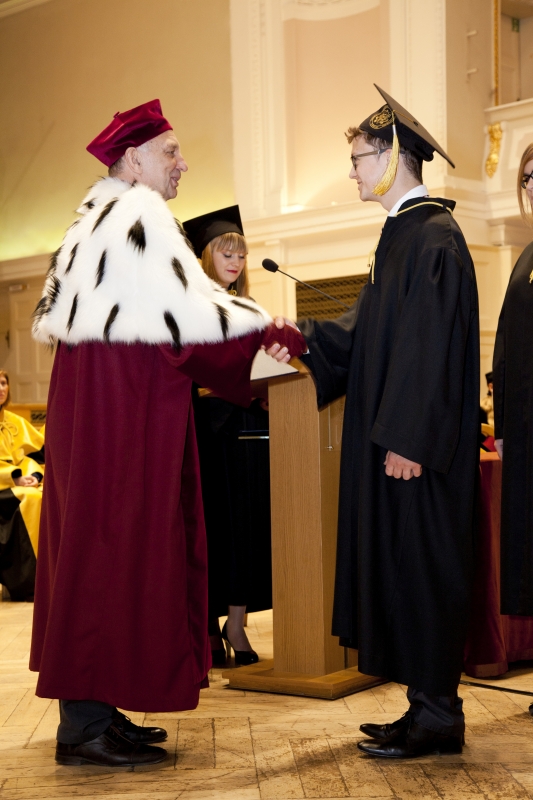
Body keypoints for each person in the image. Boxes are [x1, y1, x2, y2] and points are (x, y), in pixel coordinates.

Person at [29, 99, 305, 768]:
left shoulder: (100, 219)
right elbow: (191, 321)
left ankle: (99, 710)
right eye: (170, 153)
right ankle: (84, 725)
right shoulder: (136, 219)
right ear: (133, 160)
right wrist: (272, 335)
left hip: (104, 416)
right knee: (110, 554)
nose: (182, 164)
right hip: (119, 423)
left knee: (102, 554)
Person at [267, 85, 480, 758]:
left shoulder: (435, 237)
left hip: (417, 452)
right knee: (402, 572)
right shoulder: (400, 236)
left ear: (392, 158)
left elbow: (430, 349)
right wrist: (301, 339)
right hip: (395, 445)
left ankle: (438, 716)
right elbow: (366, 334)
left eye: (359, 158)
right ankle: (423, 706)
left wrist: (409, 438)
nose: (353, 172)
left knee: (423, 573)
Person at [184, 206, 271, 666]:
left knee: (246, 531)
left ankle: (236, 624)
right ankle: (207, 627)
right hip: (209, 431)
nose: (236, 262)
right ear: (207, 256)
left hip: (250, 429)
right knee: (214, 528)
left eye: (241, 254)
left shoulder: (252, 309)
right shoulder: (191, 307)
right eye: (226, 253)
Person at [493, 144, 533, 635]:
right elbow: (504, 344)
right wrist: (502, 425)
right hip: (524, 430)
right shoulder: (525, 256)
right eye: (527, 178)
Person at [0, 370, 45, 600]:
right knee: (30, 499)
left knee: (43, 494)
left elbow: (34, 455)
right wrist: (13, 477)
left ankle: (48, 576)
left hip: (15, 484)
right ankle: (28, 583)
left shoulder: (15, 421)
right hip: (3, 486)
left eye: (3, 383)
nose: (1, 388)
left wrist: (34, 476)